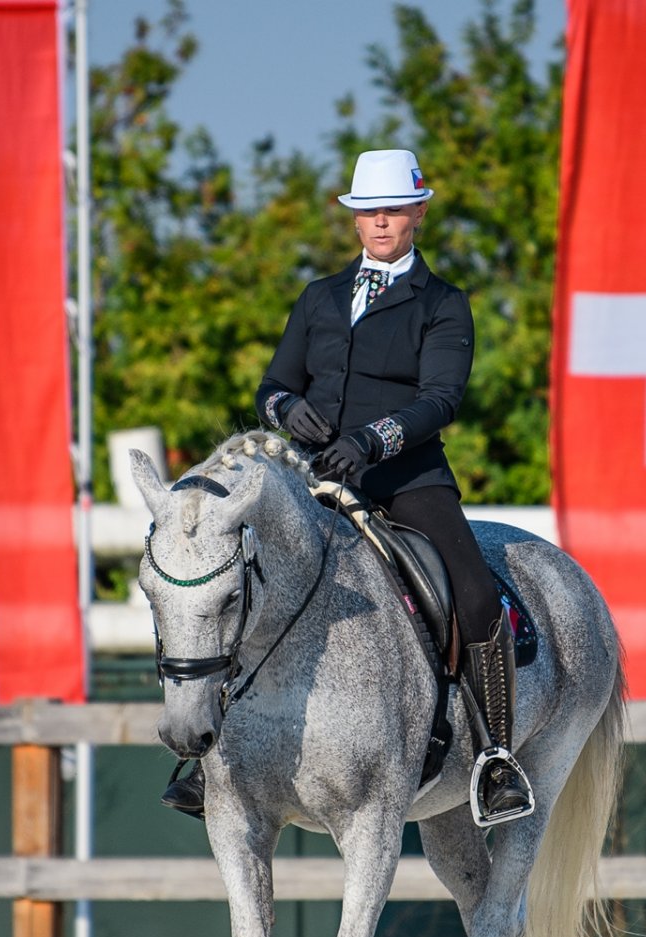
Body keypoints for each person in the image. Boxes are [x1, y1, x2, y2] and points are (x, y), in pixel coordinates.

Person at [161, 148, 534, 827]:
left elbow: (442, 399)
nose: (380, 223)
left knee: (476, 593)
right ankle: (206, 757)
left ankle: (496, 757)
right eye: (369, 213)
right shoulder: (319, 298)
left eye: (392, 211)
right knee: (232, 581)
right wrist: (284, 411)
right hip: (308, 480)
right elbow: (273, 384)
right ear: (355, 221)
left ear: (418, 213)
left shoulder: (444, 305)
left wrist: (372, 439)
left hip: (405, 477)